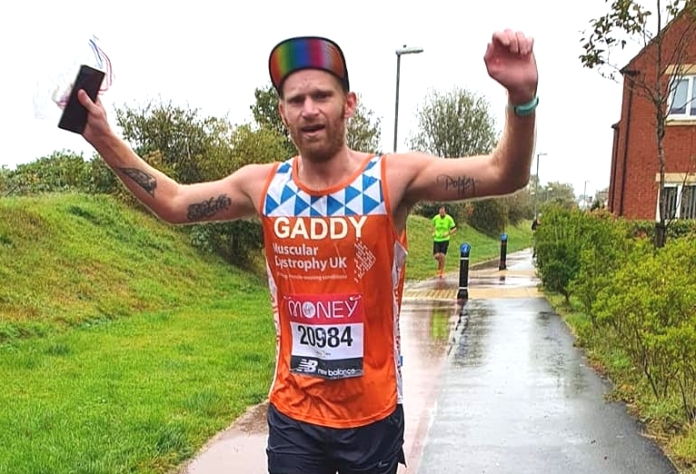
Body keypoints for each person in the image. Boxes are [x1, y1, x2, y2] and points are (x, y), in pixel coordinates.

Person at [74, 30, 538, 474]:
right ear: (282, 112)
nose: (309, 109)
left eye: (322, 96)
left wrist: (521, 101)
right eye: (296, 100)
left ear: (349, 104)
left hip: (371, 417)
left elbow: (505, 174)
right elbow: (175, 203)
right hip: (295, 415)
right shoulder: (264, 186)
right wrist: (102, 138)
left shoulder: (391, 180)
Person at [431, 206, 457, 278]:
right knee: (436, 256)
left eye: (442, 211)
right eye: (440, 211)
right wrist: (433, 232)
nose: (441, 213)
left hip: (445, 239)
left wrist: (448, 233)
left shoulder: (449, 219)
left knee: (442, 255)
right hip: (436, 239)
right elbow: (432, 226)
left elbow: (454, 228)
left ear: (445, 212)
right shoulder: (436, 218)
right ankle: (440, 263)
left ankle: (441, 271)